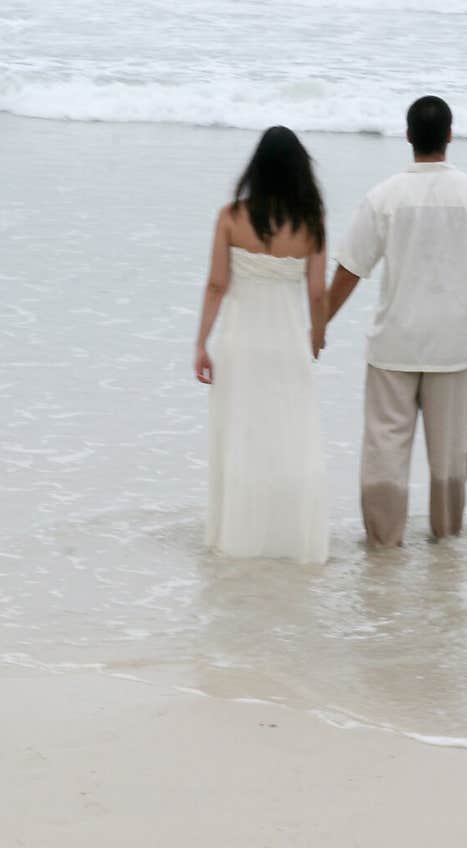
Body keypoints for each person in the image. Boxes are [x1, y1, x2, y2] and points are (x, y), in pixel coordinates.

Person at [328, 95, 467, 547]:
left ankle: (383, 542)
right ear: (450, 135)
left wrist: (320, 322)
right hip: (451, 344)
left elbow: (351, 267)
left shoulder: (384, 196)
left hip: (394, 342)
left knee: (384, 449)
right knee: (450, 455)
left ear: (408, 135)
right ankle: (446, 539)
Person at [194, 126, 329, 564]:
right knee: (289, 439)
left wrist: (201, 343)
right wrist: (318, 332)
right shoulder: (312, 224)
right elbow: (316, 293)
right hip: (287, 341)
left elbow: (217, 284)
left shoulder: (231, 217)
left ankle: (238, 537)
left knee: (241, 436)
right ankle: (287, 539)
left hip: (239, 341)